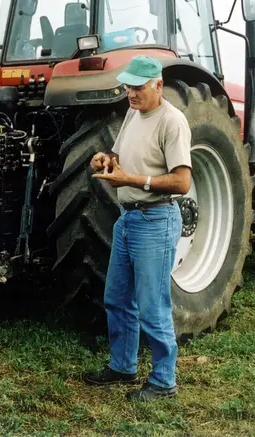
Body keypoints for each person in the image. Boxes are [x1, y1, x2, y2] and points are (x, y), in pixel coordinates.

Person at [85, 55, 192, 402]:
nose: (130, 94)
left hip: (156, 220)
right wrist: (106, 158)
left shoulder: (172, 122)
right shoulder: (133, 112)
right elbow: (120, 154)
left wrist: (131, 179)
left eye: (138, 87)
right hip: (127, 218)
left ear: (158, 85)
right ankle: (123, 365)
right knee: (116, 298)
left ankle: (164, 380)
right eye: (128, 87)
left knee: (152, 306)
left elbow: (182, 182)